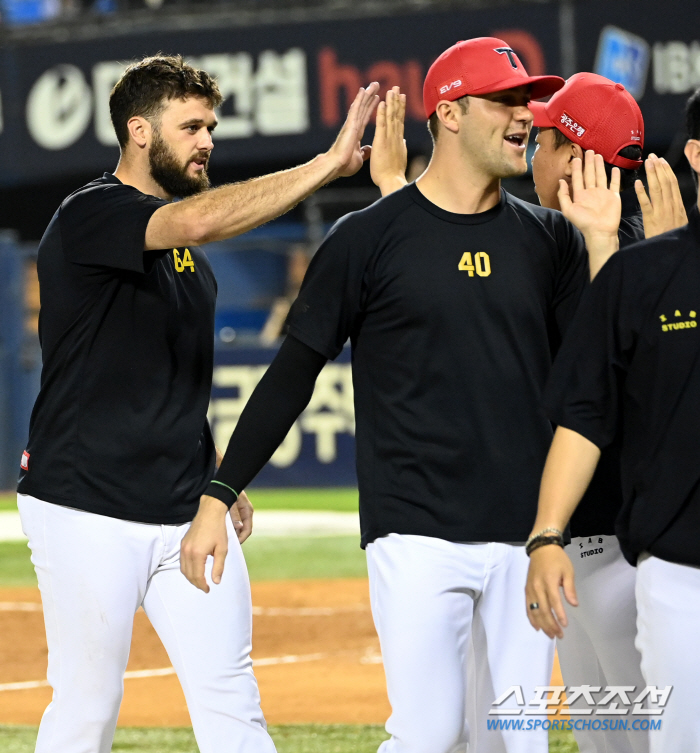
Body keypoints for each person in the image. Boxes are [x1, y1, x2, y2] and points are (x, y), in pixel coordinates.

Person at [181, 38, 625, 753]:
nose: (524, 116)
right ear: (449, 113)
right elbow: (294, 372)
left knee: (516, 739)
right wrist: (218, 489)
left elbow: (596, 384)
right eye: (505, 101)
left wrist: (602, 250)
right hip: (416, 531)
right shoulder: (368, 239)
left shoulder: (551, 241)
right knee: (428, 731)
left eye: (526, 101)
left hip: (523, 537)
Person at [17, 53, 379, 753]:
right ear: (140, 132)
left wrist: (217, 472)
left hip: (185, 507)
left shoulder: (190, 261)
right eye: (191, 126)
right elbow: (196, 223)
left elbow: (168, 374)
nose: (207, 139)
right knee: (87, 708)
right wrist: (325, 166)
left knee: (232, 700)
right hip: (84, 504)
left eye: (210, 125)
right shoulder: (92, 214)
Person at [524, 87, 700, 753]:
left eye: (545, 141)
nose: (532, 154)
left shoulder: (625, 259)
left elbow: (613, 401)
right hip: (583, 548)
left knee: (646, 737)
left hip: (619, 547)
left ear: (575, 156)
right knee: (610, 738)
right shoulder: (578, 247)